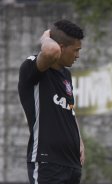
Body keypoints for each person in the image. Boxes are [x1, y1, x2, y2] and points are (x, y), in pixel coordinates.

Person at [18, 19, 85, 184]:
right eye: (75, 50)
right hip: (47, 163)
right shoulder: (31, 67)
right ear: (61, 48)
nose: (78, 55)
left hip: (71, 164)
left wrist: (80, 141)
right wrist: (45, 38)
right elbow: (50, 51)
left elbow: (69, 110)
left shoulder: (66, 75)